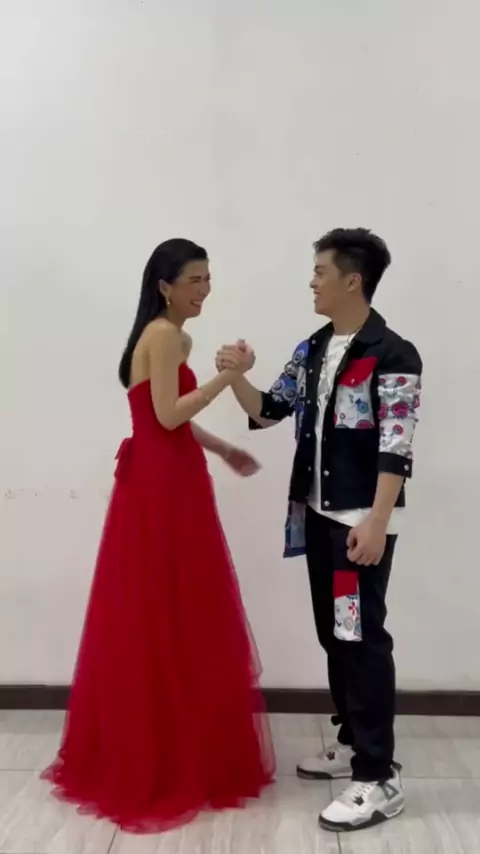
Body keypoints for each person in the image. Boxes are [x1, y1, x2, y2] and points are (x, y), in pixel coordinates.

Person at [42, 238, 275, 832]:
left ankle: (164, 745)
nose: (205, 289)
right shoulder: (166, 336)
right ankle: (164, 755)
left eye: (208, 278)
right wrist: (227, 377)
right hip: (163, 487)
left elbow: (162, 418)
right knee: (170, 610)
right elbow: (169, 416)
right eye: (194, 279)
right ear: (165, 285)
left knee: (160, 610)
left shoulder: (161, 334)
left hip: (159, 478)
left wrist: (222, 448)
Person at [217, 228, 422, 833]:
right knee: (335, 635)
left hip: (358, 523)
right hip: (317, 518)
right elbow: (268, 410)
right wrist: (236, 375)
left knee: (360, 640)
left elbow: (396, 445)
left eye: (319, 272)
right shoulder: (313, 349)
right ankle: (354, 743)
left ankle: (378, 777)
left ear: (352, 280)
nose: (311, 282)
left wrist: (376, 522)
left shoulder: (392, 353)